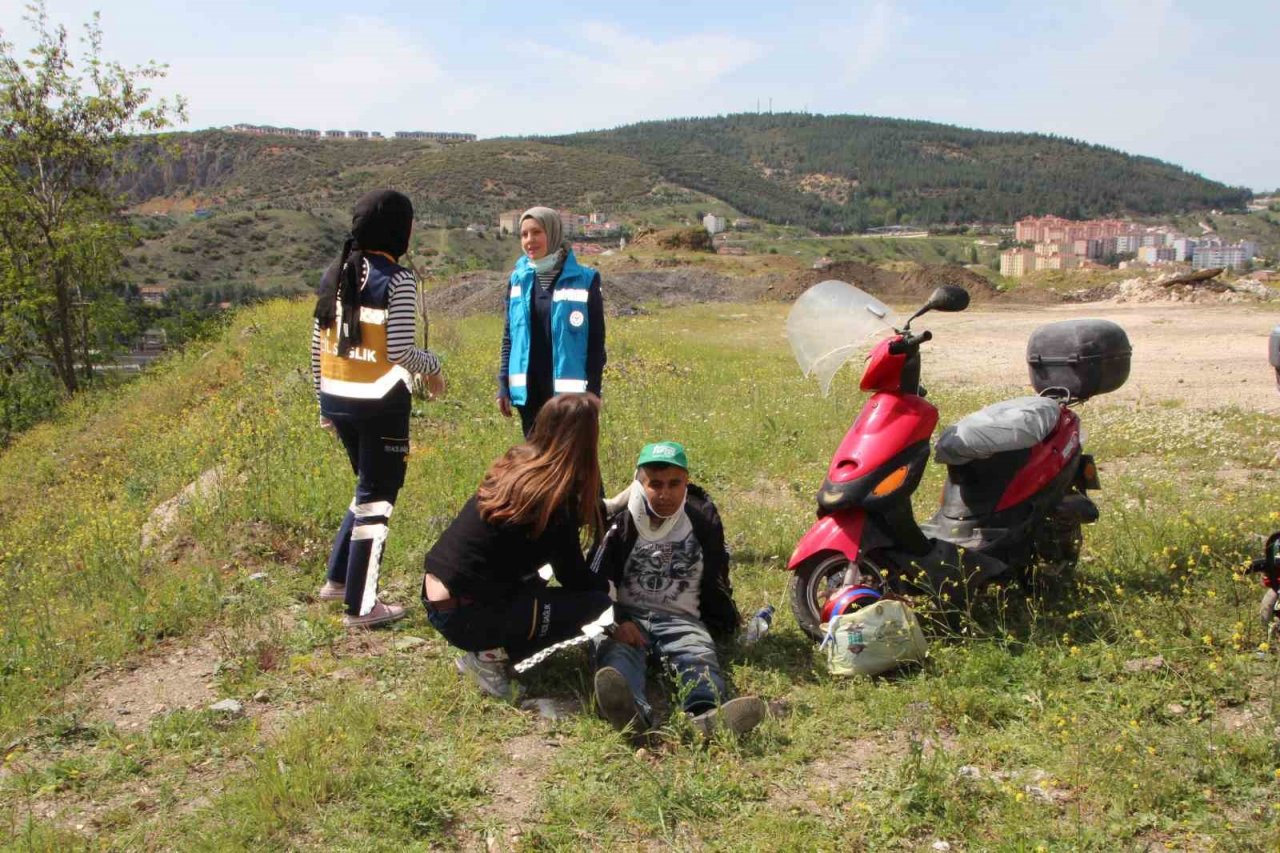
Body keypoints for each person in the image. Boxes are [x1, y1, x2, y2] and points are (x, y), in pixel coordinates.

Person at [311, 189, 444, 629]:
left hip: (338, 398)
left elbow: (318, 345)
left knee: (366, 489)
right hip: (381, 404)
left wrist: (322, 404)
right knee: (378, 497)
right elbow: (402, 349)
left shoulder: (335, 272)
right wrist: (434, 367)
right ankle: (362, 605)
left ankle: (336, 579)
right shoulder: (397, 280)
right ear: (398, 229)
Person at [422, 393, 613, 699]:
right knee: (597, 607)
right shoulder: (554, 499)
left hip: (438, 597)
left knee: (542, 578)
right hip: (466, 615)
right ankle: (487, 659)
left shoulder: (516, 467)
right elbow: (574, 575)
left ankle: (490, 645)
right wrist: (613, 590)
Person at [591, 441, 766, 737]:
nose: (665, 493)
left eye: (675, 483)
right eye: (654, 484)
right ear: (638, 483)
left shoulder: (701, 518)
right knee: (618, 659)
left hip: (680, 618)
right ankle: (630, 712)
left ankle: (706, 713)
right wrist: (617, 621)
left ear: (687, 481)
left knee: (697, 655)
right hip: (628, 618)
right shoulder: (621, 521)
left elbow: (717, 574)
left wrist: (725, 617)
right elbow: (595, 581)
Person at [497, 207, 606, 437]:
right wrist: (503, 386)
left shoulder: (585, 280)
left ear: (554, 232)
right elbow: (509, 337)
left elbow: (596, 344)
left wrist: (593, 393)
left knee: (568, 468)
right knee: (536, 465)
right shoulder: (517, 280)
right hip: (528, 396)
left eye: (536, 232)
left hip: (569, 400)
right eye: (524, 234)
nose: (529, 240)